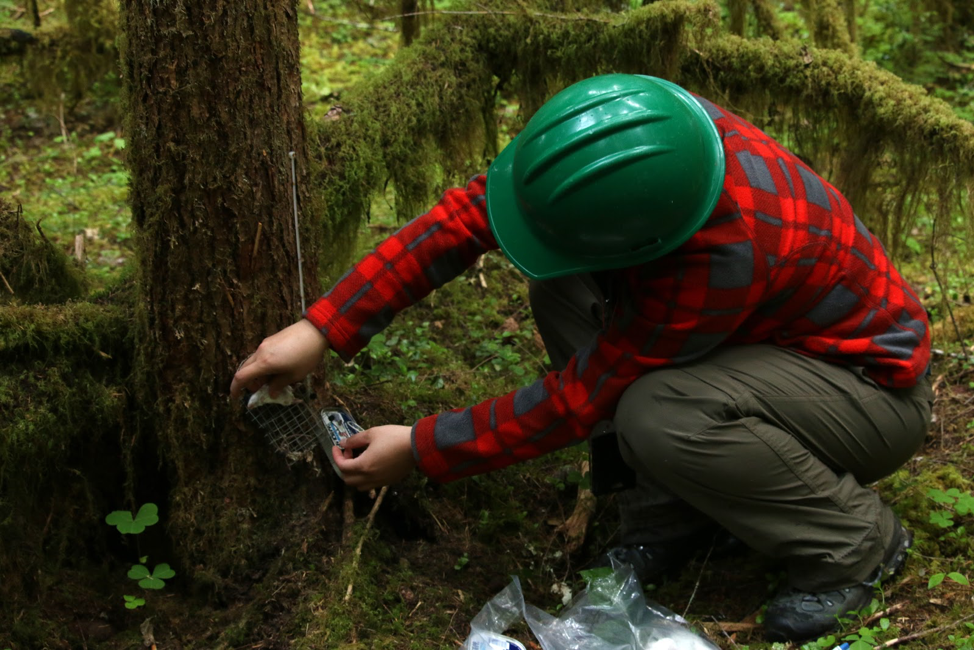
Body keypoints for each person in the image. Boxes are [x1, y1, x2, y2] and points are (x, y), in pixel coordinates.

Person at [230, 74, 932, 642]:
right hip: (761, 347)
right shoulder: (633, 134)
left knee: (661, 412)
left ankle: (852, 541)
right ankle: (672, 512)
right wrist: (323, 328)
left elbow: (584, 395)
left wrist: (422, 446)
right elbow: (471, 215)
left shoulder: (721, 256)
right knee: (561, 281)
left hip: (865, 391)